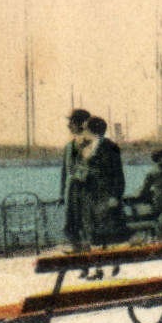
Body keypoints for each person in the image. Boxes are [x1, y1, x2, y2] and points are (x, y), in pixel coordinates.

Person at [82, 115, 131, 252]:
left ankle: (112, 264)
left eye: (86, 129)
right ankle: (99, 268)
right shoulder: (88, 147)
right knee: (95, 235)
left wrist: (115, 196)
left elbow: (118, 174)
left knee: (110, 235)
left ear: (92, 130)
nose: (84, 132)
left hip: (107, 198)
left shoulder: (110, 147)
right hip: (93, 198)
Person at [59, 108, 92, 253]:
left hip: (85, 193)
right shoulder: (68, 147)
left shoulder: (90, 145)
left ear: (81, 124)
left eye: (71, 122)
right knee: (69, 227)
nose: (68, 126)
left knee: (86, 228)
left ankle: (89, 260)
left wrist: (78, 177)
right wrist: (61, 194)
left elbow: (90, 168)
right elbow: (64, 172)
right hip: (70, 194)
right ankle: (79, 255)